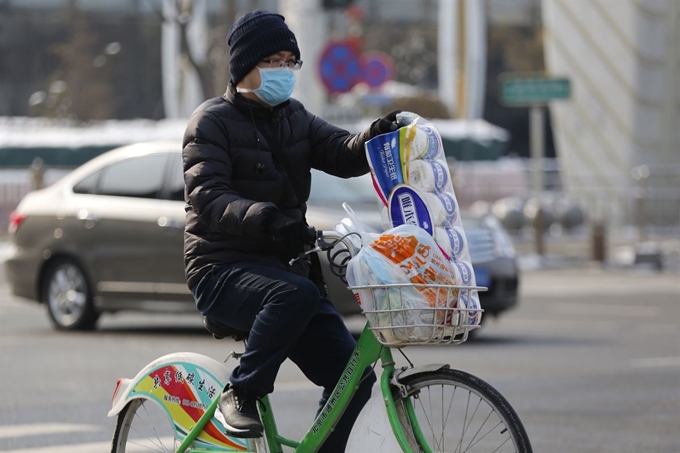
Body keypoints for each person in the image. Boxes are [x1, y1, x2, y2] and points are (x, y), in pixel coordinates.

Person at [182, 9, 400, 452]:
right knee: (294, 294)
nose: (284, 70)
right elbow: (208, 196)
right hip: (221, 268)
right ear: (246, 65)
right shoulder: (210, 121)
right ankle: (240, 392)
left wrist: (375, 137)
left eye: (289, 61)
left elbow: (340, 152)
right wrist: (266, 218)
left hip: (283, 271)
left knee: (352, 379)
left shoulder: (294, 117)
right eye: (273, 60)